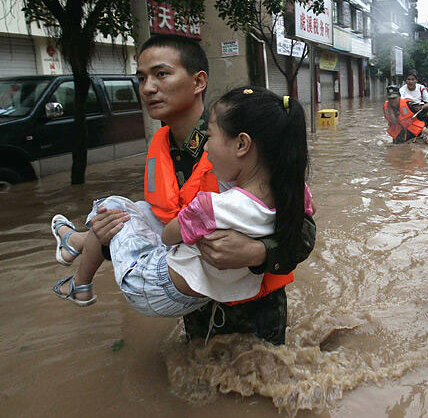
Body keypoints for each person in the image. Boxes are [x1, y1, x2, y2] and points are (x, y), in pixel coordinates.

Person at [53, 35, 316, 345]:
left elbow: (303, 230)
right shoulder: (160, 146)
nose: (148, 88)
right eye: (141, 78)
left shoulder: (238, 140)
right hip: (191, 300)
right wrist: (107, 234)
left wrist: (258, 252)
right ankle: (83, 240)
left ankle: (75, 242)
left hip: (254, 310)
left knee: (258, 384)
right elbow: (163, 231)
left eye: (161, 74)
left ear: (198, 81)